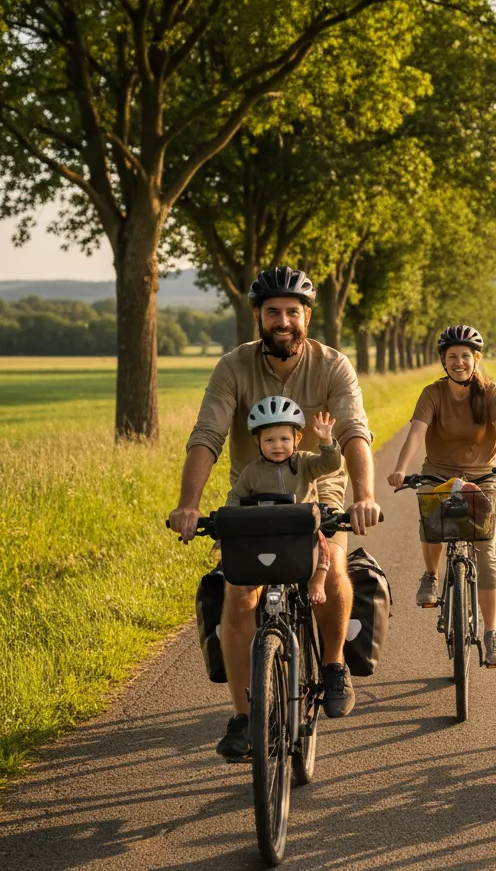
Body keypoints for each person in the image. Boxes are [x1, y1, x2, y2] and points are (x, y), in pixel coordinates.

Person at [167, 266, 381, 760]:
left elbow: (354, 433)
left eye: (292, 311)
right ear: (259, 318)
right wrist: (189, 505)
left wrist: (364, 495)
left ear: (306, 316)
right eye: (272, 312)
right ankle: (242, 716)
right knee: (240, 591)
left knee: (331, 569)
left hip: (318, 487)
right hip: (253, 490)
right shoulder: (233, 367)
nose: (282, 320)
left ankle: (331, 665)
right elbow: (208, 435)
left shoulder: (333, 365)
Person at [386, 325, 496, 667]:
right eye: (452, 357)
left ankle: (491, 632)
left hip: (483, 475)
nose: (459, 362)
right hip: (437, 470)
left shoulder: (491, 392)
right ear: (443, 361)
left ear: (476, 359)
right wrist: (399, 468)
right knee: (432, 517)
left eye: (466, 356)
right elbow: (416, 434)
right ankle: (431, 575)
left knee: (485, 551)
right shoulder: (432, 393)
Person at [226, 398, 341, 604]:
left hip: (302, 528)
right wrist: (230, 517)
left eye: (284, 439)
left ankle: (316, 582)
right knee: (249, 553)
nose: (277, 446)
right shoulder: (252, 472)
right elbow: (236, 495)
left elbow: (330, 464)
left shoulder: (305, 462)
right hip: (266, 528)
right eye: (269, 440)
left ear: (297, 438)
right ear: (257, 442)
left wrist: (326, 442)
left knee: (322, 542)